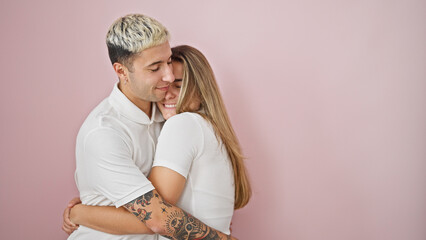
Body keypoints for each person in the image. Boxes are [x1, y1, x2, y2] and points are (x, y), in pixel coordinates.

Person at [67, 13, 237, 240]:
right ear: (121, 71)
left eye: (168, 61)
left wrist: (80, 212)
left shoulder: (171, 113)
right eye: (155, 67)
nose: (168, 76)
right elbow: (157, 218)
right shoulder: (104, 132)